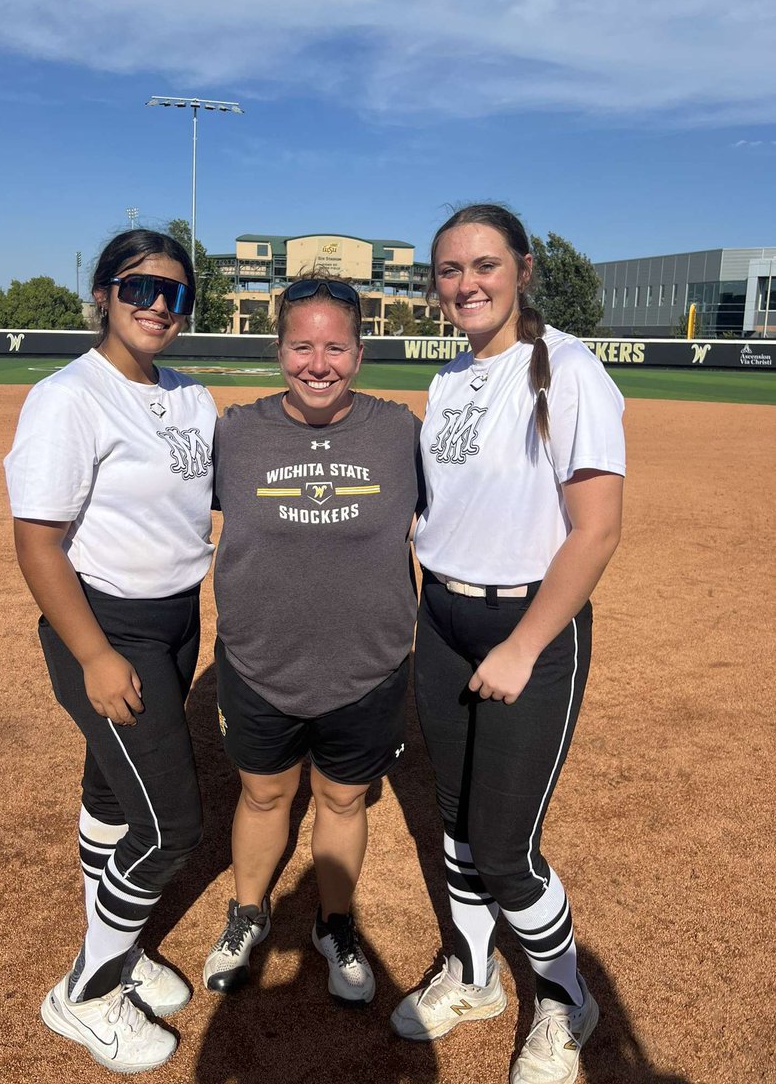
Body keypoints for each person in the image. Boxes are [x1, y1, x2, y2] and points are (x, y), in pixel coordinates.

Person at [390, 204, 625, 1084]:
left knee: (505, 845)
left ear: (523, 270)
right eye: (449, 271)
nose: (466, 284)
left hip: (531, 628)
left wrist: (526, 645)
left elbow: (595, 532)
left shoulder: (568, 371)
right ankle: (475, 975)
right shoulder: (451, 375)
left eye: (484, 265)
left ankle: (567, 999)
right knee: (454, 822)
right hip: (444, 619)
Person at [3, 229, 217, 1074]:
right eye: (139, 287)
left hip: (174, 618)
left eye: (174, 293)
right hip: (103, 625)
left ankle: (116, 949)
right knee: (172, 825)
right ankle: (87, 992)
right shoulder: (70, 397)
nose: (157, 305)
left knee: (113, 787)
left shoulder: (192, 395)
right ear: (102, 292)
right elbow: (39, 542)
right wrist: (93, 654)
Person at [202, 278, 422, 1005]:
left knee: (343, 799)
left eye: (335, 347)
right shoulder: (235, 432)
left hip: (368, 667)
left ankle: (334, 923)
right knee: (265, 796)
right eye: (302, 346)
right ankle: (247, 913)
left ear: (360, 353)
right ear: (279, 350)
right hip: (260, 661)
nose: (318, 363)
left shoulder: (399, 433)